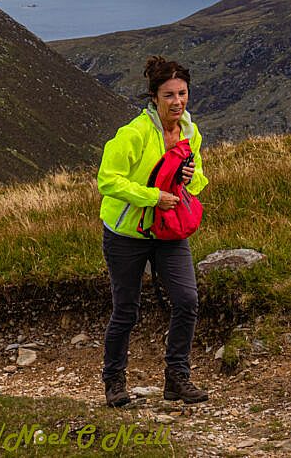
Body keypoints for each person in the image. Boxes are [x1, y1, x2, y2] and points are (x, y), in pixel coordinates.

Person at [97, 55, 210, 407]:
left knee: (187, 300)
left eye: (182, 93)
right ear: (154, 97)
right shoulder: (133, 134)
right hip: (126, 234)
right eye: (169, 95)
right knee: (126, 310)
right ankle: (114, 382)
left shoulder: (191, 132)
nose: (178, 102)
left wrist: (192, 180)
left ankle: (177, 379)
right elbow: (107, 180)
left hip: (170, 232)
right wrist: (151, 197)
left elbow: (198, 183)